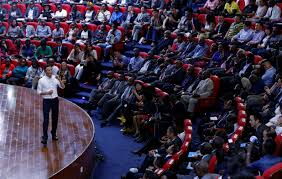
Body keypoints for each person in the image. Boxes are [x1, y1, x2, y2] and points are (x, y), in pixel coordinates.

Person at [37, 65, 65, 145]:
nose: (50, 72)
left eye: (51, 70)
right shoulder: (41, 80)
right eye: (48, 70)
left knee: (55, 118)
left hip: (55, 100)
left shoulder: (55, 78)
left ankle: (53, 134)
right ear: (45, 71)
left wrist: (59, 79)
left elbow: (63, 87)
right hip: (46, 100)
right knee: (46, 119)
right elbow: (38, 92)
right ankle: (45, 137)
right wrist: (47, 93)